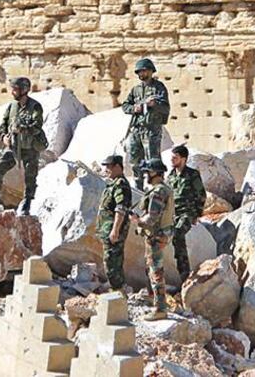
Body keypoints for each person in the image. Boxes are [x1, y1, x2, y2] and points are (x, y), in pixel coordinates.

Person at [0, 77, 47, 215]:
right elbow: (3, 125)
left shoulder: (35, 106)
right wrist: (3, 137)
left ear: (24, 90)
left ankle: (27, 202)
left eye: (16, 89)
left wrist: (23, 129)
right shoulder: (12, 106)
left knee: (30, 177)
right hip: (13, 147)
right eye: (12, 89)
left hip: (30, 148)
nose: (12, 92)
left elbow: (37, 127)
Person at [134, 158, 174, 320]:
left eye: (148, 173)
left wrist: (137, 221)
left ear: (156, 173)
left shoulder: (158, 192)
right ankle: (154, 300)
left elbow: (152, 218)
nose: (146, 176)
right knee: (152, 268)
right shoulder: (163, 189)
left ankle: (160, 308)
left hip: (155, 236)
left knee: (155, 271)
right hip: (159, 235)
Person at [121, 58, 170, 191]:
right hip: (136, 129)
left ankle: (157, 189)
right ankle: (138, 189)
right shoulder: (135, 90)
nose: (141, 74)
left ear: (150, 71)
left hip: (151, 130)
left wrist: (154, 105)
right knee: (135, 161)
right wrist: (134, 108)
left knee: (153, 162)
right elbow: (125, 106)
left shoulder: (159, 88)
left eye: (144, 71)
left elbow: (166, 108)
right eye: (139, 71)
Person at [165, 144, 205, 283]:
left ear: (183, 159)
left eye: (175, 158)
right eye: (172, 157)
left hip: (187, 213)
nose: (172, 160)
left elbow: (201, 195)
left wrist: (197, 215)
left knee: (178, 234)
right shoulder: (170, 176)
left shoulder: (192, 175)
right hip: (172, 214)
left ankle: (185, 274)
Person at [96, 154, 132, 291]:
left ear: (118, 167)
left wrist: (115, 230)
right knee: (112, 260)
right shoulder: (113, 183)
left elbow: (121, 209)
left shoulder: (121, 185)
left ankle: (118, 289)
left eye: (109, 167)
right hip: (107, 229)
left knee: (112, 261)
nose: (106, 170)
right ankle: (116, 286)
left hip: (113, 230)